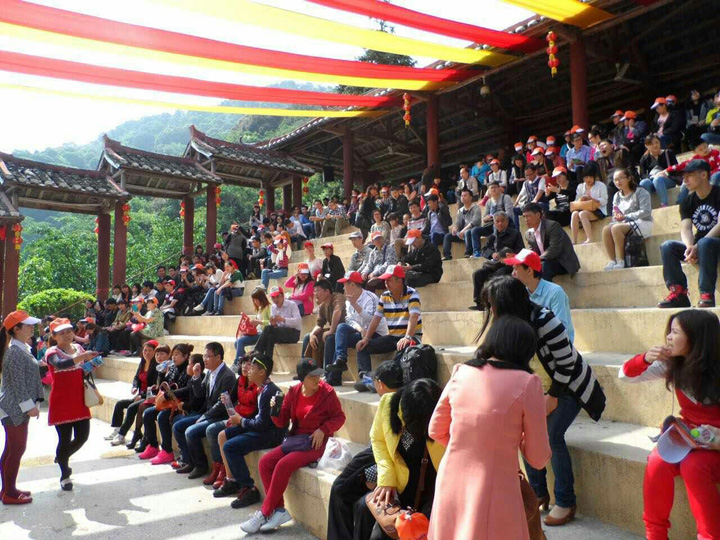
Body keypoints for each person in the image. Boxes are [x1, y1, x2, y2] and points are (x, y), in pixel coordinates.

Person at [479, 276, 606, 527]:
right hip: (534, 388)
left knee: (551, 435)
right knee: (522, 432)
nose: (491, 310)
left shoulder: (544, 320)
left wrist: (553, 396)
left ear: (507, 303)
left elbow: (567, 362)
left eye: (493, 304)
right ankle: (537, 493)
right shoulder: (505, 324)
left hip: (568, 386)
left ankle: (566, 501)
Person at [428, 316, 550, 540]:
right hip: (495, 487)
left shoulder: (461, 371)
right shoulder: (528, 383)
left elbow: (435, 429)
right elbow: (538, 458)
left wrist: (472, 445)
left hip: (450, 480)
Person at [619, 310, 720, 539]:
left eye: (675, 332)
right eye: (670, 331)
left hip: (716, 444)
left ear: (696, 338)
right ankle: (655, 534)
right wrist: (645, 359)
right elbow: (625, 375)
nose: (668, 337)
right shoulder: (673, 364)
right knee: (657, 461)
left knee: (693, 467)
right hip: (691, 437)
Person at [240, 358, 346, 533]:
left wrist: (323, 429)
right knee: (265, 462)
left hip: (317, 443)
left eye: (318, 375)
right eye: (312, 376)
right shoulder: (294, 392)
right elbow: (282, 422)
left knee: (283, 465)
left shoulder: (327, 392)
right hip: (296, 440)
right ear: (302, 378)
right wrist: (275, 411)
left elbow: (340, 417)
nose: (317, 379)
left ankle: (264, 512)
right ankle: (279, 510)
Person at [326, 361, 403, 539]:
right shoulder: (390, 401)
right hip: (379, 465)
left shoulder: (395, 405)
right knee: (340, 489)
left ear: (380, 384)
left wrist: (373, 477)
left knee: (347, 494)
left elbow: (397, 452)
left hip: (389, 474)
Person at [364, 379, 444, 540]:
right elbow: (378, 439)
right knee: (345, 490)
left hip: (429, 485)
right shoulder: (388, 403)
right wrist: (386, 477)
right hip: (395, 478)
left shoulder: (442, 418)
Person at [215, 354, 287, 506]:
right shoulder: (263, 388)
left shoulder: (269, 391)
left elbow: (262, 425)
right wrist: (238, 417)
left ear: (261, 372)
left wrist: (241, 421)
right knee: (224, 435)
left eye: (252, 368)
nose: (248, 370)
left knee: (230, 447)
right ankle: (232, 480)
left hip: (270, 435)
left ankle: (249, 488)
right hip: (261, 428)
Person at [44, 318, 98, 491]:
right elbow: (61, 365)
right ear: (54, 336)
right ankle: (64, 474)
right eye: (62, 333)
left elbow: (81, 370)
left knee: (82, 437)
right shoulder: (52, 352)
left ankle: (61, 457)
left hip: (79, 399)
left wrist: (90, 365)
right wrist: (82, 357)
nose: (67, 335)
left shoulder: (78, 348)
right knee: (64, 439)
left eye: (69, 331)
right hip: (61, 401)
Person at [658, 160, 720, 308]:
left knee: (705, 243)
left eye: (689, 176)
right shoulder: (687, 201)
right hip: (701, 247)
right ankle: (679, 294)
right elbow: (686, 228)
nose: (685, 180)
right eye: (683, 177)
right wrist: (689, 247)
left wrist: (698, 246)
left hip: (715, 244)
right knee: (668, 246)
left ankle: (706, 294)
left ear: (704, 175)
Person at [173, 342, 237, 479]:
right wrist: (196, 377)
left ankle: (203, 466)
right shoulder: (209, 372)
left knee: (191, 431)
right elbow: (200, 393)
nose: (204, 360)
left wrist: (205, 416)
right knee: (178, 426)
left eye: (208, 356)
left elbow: (222, 404)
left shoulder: (228, 376)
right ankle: (189, 461)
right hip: (207, 413)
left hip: (220, 415)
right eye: (204, 356)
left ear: (218, 357)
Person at [0, 311, 43, 504]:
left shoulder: (21, 348)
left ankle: (7, 489)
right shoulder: (15, 352)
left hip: (15, 407)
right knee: (16, 450)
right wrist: (29, 407)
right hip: (14, 408)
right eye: (28, 325)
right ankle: (9, 494)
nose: (32, 328)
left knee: (11, 450)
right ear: (16, 329)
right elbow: (18, 384)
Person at [355, 265, 421, 389]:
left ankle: (384, 382)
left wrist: (407, 337)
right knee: (362, 346)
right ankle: (366, 378)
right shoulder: (384, 296)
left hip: (411, 338)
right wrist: (367, 338)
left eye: (389, 280)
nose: (386, 283)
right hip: (392, 337)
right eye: (385, 280)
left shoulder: (412, 293)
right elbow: (376, 318)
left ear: (399, 281)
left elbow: (413, 317)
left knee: (401, 354)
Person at [204, 355, 260, 488]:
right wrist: (226, 400)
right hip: (237, 417)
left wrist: (240, 420)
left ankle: (228, 474)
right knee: (213, 431)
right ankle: (223, 471)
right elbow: (232, 398)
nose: (245, 367)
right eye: (243, 363)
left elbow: (258, 412)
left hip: (247, 421)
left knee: (218, 433)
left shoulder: (259, 386)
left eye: (249, 364)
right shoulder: (240, 380)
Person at [324, 271, 389, 387]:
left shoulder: (370, 297)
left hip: (376, 333)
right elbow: (349, 320)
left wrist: (355, 305)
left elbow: (372, 319)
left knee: (347, 334)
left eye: (345, 284)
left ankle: (343, 367)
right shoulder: (348, 301)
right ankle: (334, 372)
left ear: (352, 285)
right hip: (361, 332)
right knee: (332, 338)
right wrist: (360, 329)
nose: (343, 288)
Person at [504, 249, 575, 342]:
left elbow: (560, 330)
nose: (512, 273)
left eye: (516, 269)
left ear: (529, 271)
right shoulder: (521, 293)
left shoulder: (555, 292)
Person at [140, 343, 193, 463]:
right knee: (147, 413)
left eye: (177, 355)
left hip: (181, 404)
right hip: (169, 403)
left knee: (163, 416)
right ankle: (153, 446)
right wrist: (162, 373)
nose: (174, 357)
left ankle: (167, 451)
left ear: (185, 356)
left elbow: (187, 389)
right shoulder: (172, 367)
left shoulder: (188, 369)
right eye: (173, 354)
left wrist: (166, 395)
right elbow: (163, 386)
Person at [106, 340, 158, 449]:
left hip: (148, 397)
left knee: (131, 408)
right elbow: (136, 378)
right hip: (140, 395)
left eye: (150, 350)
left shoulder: (156, 366)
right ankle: (117, 429)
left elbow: (154, 386)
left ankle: (122, 435)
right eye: (145, 350)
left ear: (154, 352)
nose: (147, 353)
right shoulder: (143, 363)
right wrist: (134, 387)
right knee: (120, 404)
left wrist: (142, 396)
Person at [602, 168, 653, 270]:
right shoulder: (617, 196)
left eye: (620, 178)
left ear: (629, 178)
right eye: (615, 180)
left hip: (643, 222)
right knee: (606, 229)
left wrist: (626, 216)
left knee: (616, 228)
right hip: (625, 223)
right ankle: (612, 261)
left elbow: (646, 211)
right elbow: (615, 212)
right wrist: (617, 217)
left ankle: (621, 261)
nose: (618, 182)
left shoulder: (641, 192)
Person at [523, 203, 581, 281]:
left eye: (528, 216)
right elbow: (532, 251)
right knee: (523, 268)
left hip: (562, 262)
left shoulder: (552, 226)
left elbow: (554, 249)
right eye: (524, 217)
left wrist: (537, 260)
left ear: (538, 215)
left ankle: (546, 289)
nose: (526, 220)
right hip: (544, 260)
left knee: (544, 266)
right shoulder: (528, 234)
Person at [302, 279, 346, 367]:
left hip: (344, 330)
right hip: (334, 331)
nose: (315, 294)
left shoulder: (338, 297)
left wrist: (331, 330)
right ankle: (305, 367)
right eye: (314, 291)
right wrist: (312, 334)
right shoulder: (322, 306)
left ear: (327, 291)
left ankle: (326, 370)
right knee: (308, 337)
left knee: (329, 338)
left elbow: (337, 310)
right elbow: (319, 325)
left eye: (317, 291)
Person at [253, 286, 303, 359]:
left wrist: (283, 320)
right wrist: (273, 323)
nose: (275, 299)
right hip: (280, 333)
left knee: (268, 329)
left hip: (293, 333)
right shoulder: (273, 307)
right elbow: (275, 326)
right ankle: (267, 361)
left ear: (282, 296)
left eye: (277, 296)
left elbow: (298, 320)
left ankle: (256, 353)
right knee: (270, 337)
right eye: (273, 297)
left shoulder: (291, 304)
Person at [470, 181, 514, 256]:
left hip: (505, 225)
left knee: (495, 225)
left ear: (499, 188)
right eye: (491, 188)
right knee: (475, 230)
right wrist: (487, 218)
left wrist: (495, 218)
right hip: (491, 225)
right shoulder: (489, 202)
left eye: (495, 187)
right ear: (489, 190)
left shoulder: (505, 198)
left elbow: (509, 214)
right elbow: (484, 218)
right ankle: (477, 252)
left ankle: (497, 249)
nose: (493, 189)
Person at [570, 161, 609, 245]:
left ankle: (589, 238)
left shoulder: (601, 185)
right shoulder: (580, 187)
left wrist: (592, 199)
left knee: (582, 214)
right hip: (584, 208)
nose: (588, 180)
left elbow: (604, 200)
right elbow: (576, 200)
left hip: (598, 210)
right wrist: (581, 199)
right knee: (574, 214)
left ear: (594, 177)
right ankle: (574, 240)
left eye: (590, 177)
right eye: (586, 177)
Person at [638, 134, 679, 208]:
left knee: (658, 180)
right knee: (643, 183)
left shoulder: (668, 153)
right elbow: (642, 174)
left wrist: (665, 172)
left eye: (656, 142)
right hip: (652, 179)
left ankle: (664, 204)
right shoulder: (644, 158)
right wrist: (652, 176)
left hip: (668, 179)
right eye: (651, 144)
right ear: (646, 146)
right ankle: (647, 207)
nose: (655, 145)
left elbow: (676, 168)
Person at [442, 189, 481, 260]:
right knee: (447, 236)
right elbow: (457, 223)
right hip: (461, 234)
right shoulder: (460, 210)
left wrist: (463, 230)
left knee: (467, 232)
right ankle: (447, 255)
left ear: (471, 197)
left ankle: (468, 253)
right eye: (462, 196)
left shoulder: (476, 208)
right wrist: (455, 229)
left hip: (471, 232)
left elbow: (475, 221)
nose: (463, 197)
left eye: (465, 195)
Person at [513, 164, 548, 228]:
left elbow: (540, 191)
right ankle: (516, 230)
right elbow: (521, 194)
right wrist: (515, 204)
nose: (528, 177)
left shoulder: (541, 179)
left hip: (540, 204)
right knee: (514, 210)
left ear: (535, 172)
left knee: (538, 206)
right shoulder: (525, 183)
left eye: (530, 174)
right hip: (529, 205)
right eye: (526, 175)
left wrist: (534, 201)